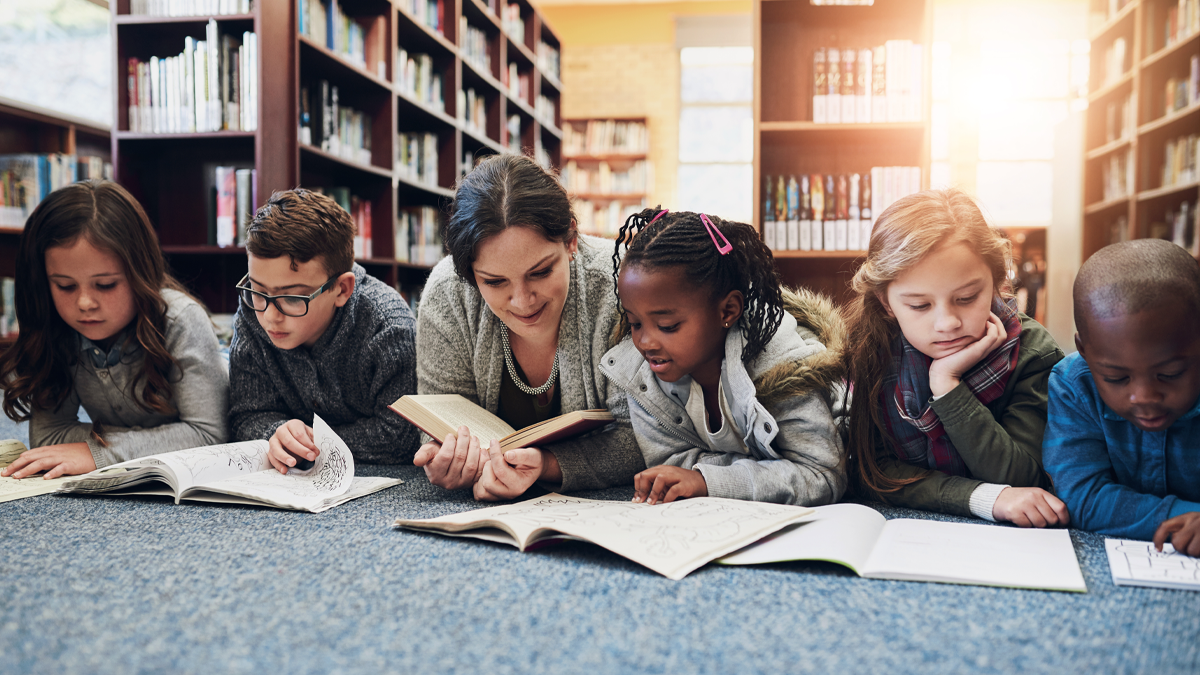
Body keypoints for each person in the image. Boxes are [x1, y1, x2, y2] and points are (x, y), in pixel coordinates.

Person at [414, 154, 643, 500]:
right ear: (470, 277)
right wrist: (446, 455)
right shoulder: (449, 293)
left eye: (540, 272)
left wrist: (549, 464)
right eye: (494, 282)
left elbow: (644, 434)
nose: (523, 301)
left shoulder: (620, 284)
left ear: (571, 240)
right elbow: (439, 419)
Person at [841, 188, 1067, 526]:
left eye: (966, 297)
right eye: (919, 305)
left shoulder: (1033, 352)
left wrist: (948, 388)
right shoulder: (869, 347)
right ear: (886, 303)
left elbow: (1023, 479)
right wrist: (984, 498)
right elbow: (874, 471)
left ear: (996, 283)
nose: (947, 323)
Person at [600, 208, 847, 505]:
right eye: (634, 323)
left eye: (667, 326)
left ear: (727, 311)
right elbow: (671, 463)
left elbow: (823, 474)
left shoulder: (783, 368)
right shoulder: (641, 377)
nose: (645, 342)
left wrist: (707, 479)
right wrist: (706, 479)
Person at [0, 180, 228, 478]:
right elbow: (48, 438)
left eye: (106, 285)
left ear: (140, 272)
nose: (84, 303)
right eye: (65, 286)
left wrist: (100, 452)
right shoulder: (57, 329)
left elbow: (211, 436)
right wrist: (149, 442)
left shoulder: (181, 320)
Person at [228, 188, 418, 472]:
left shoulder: (388, 328)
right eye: (257, 290)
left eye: (292, 298)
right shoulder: (252, 312)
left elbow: (401, 436)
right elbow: (245, 416)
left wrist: (313, 443)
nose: (269, 316)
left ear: (342, 289)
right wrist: (277, 431)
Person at [1043, 239, 1200, 556]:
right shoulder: (1074, 385)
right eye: (1116, 378)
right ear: (1084, 350)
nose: (1144, 397)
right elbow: (1081, 498)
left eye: (1169, 374)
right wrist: (1182, 516)